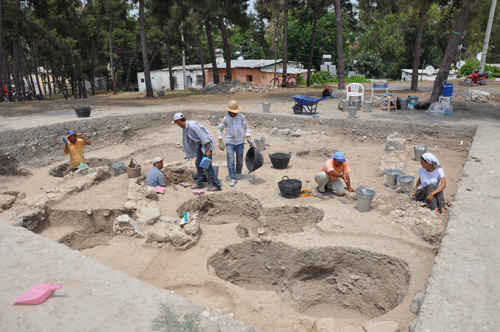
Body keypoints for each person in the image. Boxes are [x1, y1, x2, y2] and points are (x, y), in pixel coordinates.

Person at [172, 112, 221, 191]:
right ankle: (199, 183)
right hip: (201, 145)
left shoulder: (192, 126)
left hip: (206, 145)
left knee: (207, 166)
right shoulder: (186, 127)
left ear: (178, 121)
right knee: (198, 163)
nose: (177, 125)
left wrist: (207, 151)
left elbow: (205, 138)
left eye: (176, 123)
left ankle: (217, 185)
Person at [217, 100, 251, 187]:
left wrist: (248, 136)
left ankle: (238, 172)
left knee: (239, 159)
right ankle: (232, 177)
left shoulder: (241, 117)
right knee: (230, 159)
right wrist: (220, 140)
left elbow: (246, 127)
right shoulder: (226, 119)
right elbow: (219, 129)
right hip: (230, 141)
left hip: (240, 141)